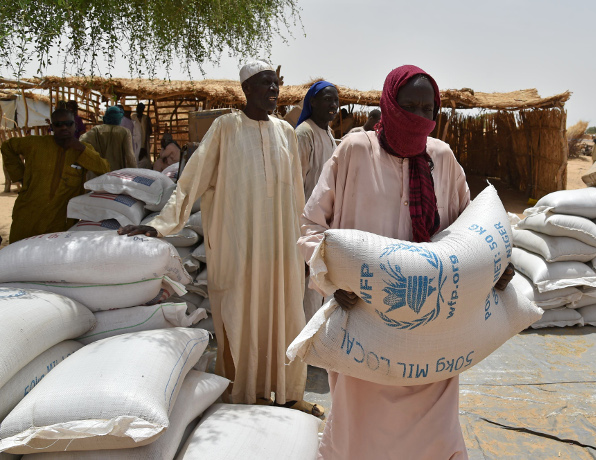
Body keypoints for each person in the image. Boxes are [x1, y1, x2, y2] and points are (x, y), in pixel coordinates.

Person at [299, 65, 514, 459]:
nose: (418, 116)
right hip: (364, 324)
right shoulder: (354, 151)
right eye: (408, 105)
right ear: (389, 104)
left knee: (433, 434)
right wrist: (334, 279)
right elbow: (313, 226)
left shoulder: (442, 158)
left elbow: (470, 231)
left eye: (426, 108)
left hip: (434, 328)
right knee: (361, 433)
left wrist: (495, 266)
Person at [118, 60, 322, 417]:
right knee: (241, 315)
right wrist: (162, 224)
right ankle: (245, 394)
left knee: (285, 315)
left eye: (276, 84)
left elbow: (297, 198)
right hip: (239, 245)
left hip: (280, 248)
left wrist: (302, 246)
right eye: (264, 84)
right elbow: (192, 179)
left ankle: (288, 393)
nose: (273, 91)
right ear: (246, 89)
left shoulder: (286, 133)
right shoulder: (225, 128)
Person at [1, 108, 109, 243]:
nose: (64, 127)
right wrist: (20, 176)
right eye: (58, 124)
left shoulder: (83, 149)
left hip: (60, 219)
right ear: (52, 127)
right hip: (28, 214)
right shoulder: (35, 144)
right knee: (18, 255)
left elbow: (104, 169)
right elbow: (7, 146)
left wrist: (80, 148)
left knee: (51, 259)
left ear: (75, 126)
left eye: (68, 124)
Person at [295, 80, 339, 320]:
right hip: (306, 228)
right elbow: (295, 187)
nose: (333, 105)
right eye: (327, 99)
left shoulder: (329, 135)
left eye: (335, 100)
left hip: (324, 228)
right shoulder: (304, 134)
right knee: (306, 298)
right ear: (312, 103)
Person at [80, 106, 136, 172]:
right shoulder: (124, 132)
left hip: (99, 171)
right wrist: (134, 171)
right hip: (117, 172)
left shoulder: (96, 130)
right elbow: (129, 156)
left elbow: (82, 140)